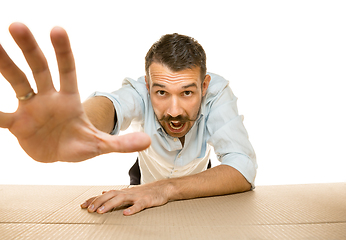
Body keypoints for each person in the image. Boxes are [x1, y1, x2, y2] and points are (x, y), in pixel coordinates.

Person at [0, 23, 257, 216]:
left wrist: (164, 189)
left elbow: (242, 167)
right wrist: (80, 125)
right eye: (161, 93)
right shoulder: (138, 92)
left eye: (187, 92)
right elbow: (112, 105)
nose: (175, 110)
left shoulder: (218, 93)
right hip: (142, 181)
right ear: (147, 86)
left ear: (204, 85)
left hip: (197, 182)